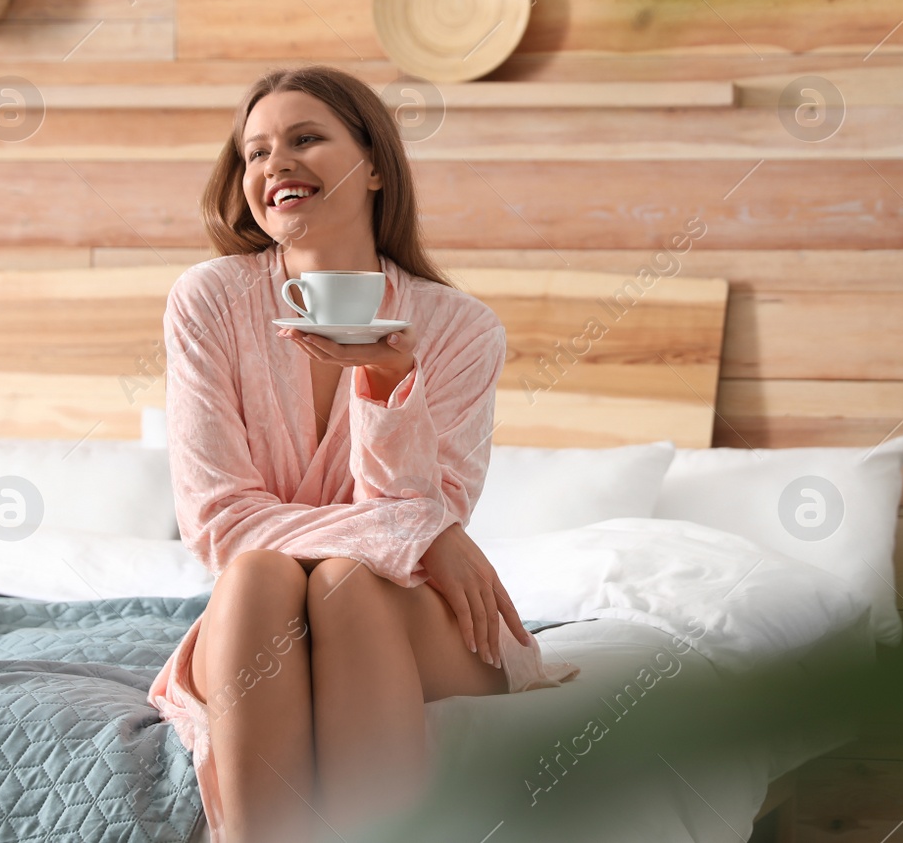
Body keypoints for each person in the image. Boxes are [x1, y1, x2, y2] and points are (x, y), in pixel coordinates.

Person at [146, 65, 579, 843]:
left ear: (374, 164)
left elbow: (413, 522)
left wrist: (387, 382)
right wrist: (428, 536)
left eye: (305, 138)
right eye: (256, 152)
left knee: (348, 583)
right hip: (259, 612)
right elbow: (218, 524)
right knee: (253, 574)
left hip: (408, 612)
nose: (275, 164)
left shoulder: (460, 329)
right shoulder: (209, 301)